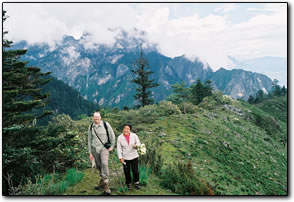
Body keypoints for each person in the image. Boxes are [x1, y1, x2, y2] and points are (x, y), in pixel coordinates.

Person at [88, 112, 115, 195]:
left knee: (104, 164)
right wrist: (90, 152)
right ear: (93, 118)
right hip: (94, 149)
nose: (96, 118)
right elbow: (89, 140)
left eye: (98, 117)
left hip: (104, 149)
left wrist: (112, 146)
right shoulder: (91, 127)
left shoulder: (106, 125)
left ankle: (106, 184)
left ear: (100, 117)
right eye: (95, 117)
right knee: (99, 166)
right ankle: (101, 181)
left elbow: (112, 135)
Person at [117, 124, 141, 190]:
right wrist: (120, 157)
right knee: (126, 171)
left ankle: (136, 182)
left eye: (127, 129)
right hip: (125, 157)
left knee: (135, 171)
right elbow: (119, 148)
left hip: (134, 156)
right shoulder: (120, 137)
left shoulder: (134, 135)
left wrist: (136, 145)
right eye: (125, 128)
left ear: (130, 130)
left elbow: (139, 143)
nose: (126, 130)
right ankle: (128, 183)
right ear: (123, 129)